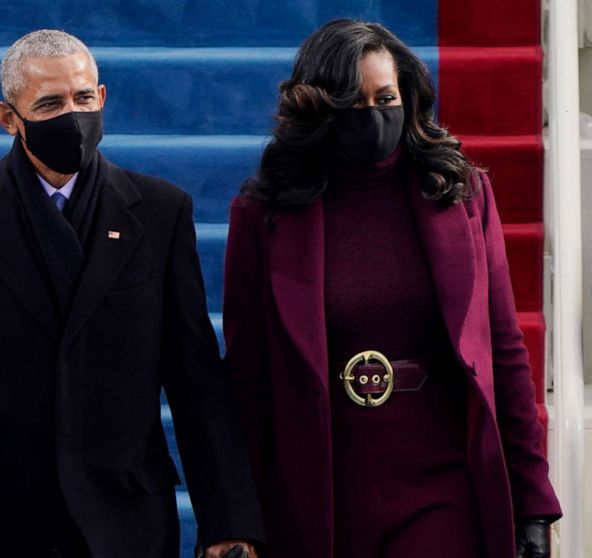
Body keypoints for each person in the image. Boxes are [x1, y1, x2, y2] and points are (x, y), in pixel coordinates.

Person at [0, 29, 263, 558]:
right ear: (7, 118)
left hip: (130, 521)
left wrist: (228, 521)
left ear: (102, 98)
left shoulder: (160, 212)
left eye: (83, 98)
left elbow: (196, 381)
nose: (73, 115)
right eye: (49, 103)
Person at [222, 19, 561, 558]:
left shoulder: (462, 194)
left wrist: (534, 500)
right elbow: (247, 376)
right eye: (354, 102)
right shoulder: (264, 214)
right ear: (321, 108)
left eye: (386, 97)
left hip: (443, 481)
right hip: (323, 484)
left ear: (409, 97)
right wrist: (237, 517)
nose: (374, 114)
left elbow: (504, 350)